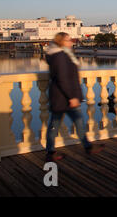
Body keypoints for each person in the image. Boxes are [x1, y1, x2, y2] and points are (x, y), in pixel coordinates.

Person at [45, 32, 104, 162]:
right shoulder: (60, 56)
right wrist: (72, 97)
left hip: (63, 96)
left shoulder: (62, 55)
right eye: (68, 40)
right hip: (64, 97)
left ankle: (86, 146)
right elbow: (62, 78)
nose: (71, 42)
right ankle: (52, 151)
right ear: (61, 42)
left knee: (67, 123)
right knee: (59, 124)